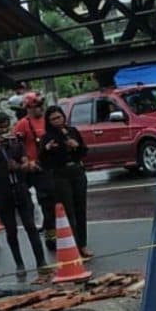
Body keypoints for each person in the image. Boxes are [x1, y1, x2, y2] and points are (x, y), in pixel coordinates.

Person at [0, 113, 49, 279]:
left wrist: (21, 166)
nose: (4, 130)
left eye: (6, 126)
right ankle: (19, 264)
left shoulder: (16, 142)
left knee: (30, 226)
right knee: (11, 231)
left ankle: (41, 262)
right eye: (0, 127)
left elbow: (25, 162)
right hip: (3, 192)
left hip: (20, 189)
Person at [39, 106, 91, 257]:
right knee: (69, 211)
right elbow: (42, 160)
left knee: (81, 209)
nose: (57, 121)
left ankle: (83, 244)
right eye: (53, 119)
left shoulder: (72, 131)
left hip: (77, 171)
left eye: (59, 117)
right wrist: (48, 149)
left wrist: (76, 146)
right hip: (61, 174)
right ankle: (73, 245)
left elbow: (84, 151)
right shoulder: (47, 137)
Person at [13, 92, 57, 250]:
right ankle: (49, 236)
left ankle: (53, 231)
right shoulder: (22, 125)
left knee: (53, 201)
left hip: (48, 167)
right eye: (37, 106)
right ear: (29, 108)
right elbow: (15, 148)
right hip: (34, 170)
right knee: (42, 202)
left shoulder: (47, 121)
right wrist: (26, 162)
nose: (40, 109)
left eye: (41, 106)